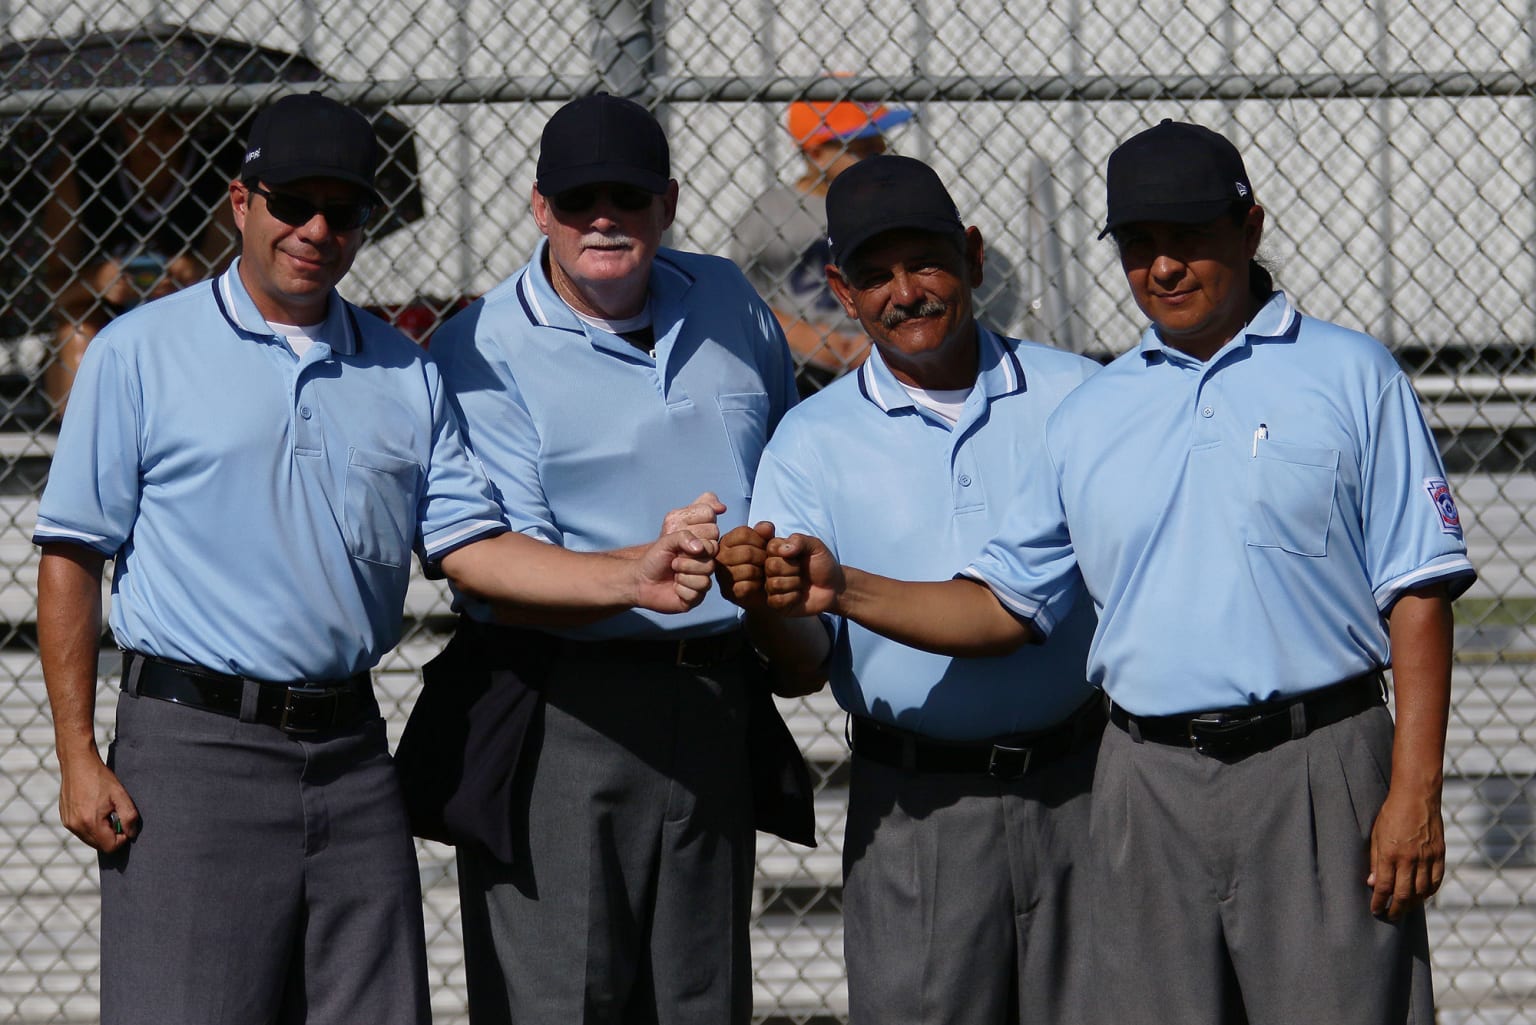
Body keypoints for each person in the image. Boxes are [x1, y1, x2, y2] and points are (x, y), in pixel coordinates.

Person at [755, 120, 1476, 1023]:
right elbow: (1000, 607)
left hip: (1316, 763)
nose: (1164, 266)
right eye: (1139, 244)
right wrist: (842, 589)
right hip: (1145, 780)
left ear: (1250, 228)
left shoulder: (1352, 373)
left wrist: (1415, 789)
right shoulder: (1095, 409)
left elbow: (1418, 592)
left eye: (1189, 237)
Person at [33, 92, 718, 1025]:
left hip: (352, 755)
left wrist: (629, 573)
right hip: (193, 750)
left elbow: (473, 548)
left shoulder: (405, 368)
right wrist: (77, 753)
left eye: (343, 209)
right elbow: (72, 555)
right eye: (292, 203)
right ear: (241, 202)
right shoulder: (139, 352)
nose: (316, 230)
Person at [428, 92, 804, 1025]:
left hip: (714, 694)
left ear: (666, 203)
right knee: (563, 1003)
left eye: (628, 197)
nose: (604, 217)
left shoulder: (727, 296)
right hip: (564, 702)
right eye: (578, 198)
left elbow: (790, 462)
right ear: (539, 207)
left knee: (703, 1001)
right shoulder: (481, 344)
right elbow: (493, 557)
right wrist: (635, 570)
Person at [716, 154, 1103, 1024]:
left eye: (926, 262)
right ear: (842, 292)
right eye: (875, 275)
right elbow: (801, 666)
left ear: (972, 255)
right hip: (917, 806)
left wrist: (836, 587)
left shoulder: (1080, 394)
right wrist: (766, 600)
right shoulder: (809, 441)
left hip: (1085, 785)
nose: (905, 293)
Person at [39, 112, 242, 414]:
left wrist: (195, 275)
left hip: (186, 314)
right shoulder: (85, 164)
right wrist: (99, 282)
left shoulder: (217, 167)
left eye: (170, 126)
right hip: (106, 317)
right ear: (121, 120)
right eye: (141, 124)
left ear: (190, 121)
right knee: (77, 330)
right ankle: (86, 433)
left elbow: (234, 278)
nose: (154, 140)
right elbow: (51, 291)